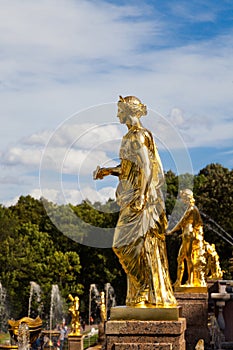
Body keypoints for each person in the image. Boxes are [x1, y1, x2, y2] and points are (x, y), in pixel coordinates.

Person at [94, 95, 176, 307]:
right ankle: (142, 289)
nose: (117, 114)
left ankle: (144, 287)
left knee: (123, 245)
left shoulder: (139, 136)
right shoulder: (129, 137)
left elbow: (148, 167)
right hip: (130, 198)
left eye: (120, 110)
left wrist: (142, 195)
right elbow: (129, 168)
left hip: (140, 200)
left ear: (129, 111)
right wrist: (108, 171)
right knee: (128, 246)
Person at [167, 189, 206, 287]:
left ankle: (190, 281)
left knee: (188, 258)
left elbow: (181, 222)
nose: (182, 200)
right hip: (185, 235)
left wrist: (170, 231)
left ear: (187, 198)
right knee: (180, 258)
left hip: (189, 235)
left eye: (183, 198)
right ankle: (178, 281)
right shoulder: (189, 208)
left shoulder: (192, 209)